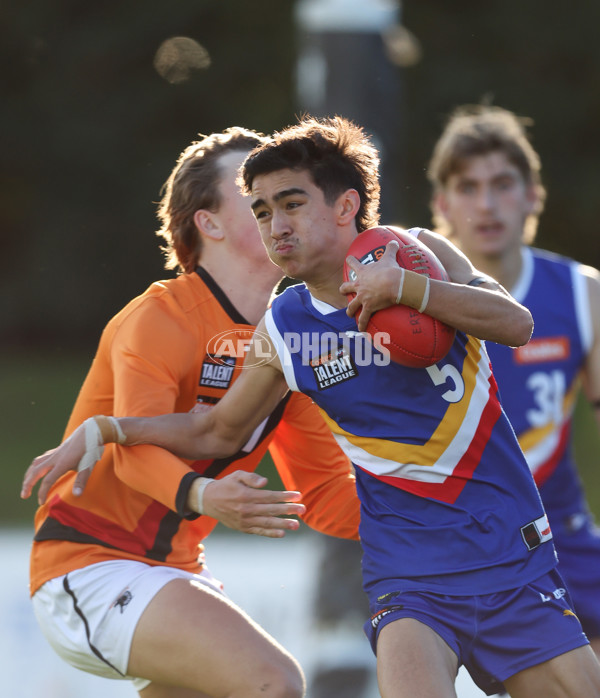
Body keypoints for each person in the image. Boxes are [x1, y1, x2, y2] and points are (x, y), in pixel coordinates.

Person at [23, 115, 600, 698]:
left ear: (347, 205)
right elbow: (218, 431)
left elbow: (517, 323)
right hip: (409, 578)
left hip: (511, 554)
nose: (276, 225)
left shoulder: (420, 252)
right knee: (281, 681)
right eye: (263, 210)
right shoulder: (284, 327)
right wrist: (109, 429)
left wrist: (406, 289)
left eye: (291, 204)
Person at [20, 126, 361, 698]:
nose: (270, 198)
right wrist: (205, 497)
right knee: (274, 682)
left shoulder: (290, 337)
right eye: (249, 188)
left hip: (173, 572)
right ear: (210, 223)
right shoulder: (160, 317)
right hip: (87, 564)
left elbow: (327, 495)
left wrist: (442, 509)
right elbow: (131, 456)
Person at [426, 104, 600, 660]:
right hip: (453, 547)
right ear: (441, 205)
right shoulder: (409, 306)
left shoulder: (582, 294)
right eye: (467, 186)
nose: (486, 203)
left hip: (562, 540)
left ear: (533, 195)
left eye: (502, 184)